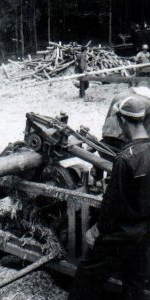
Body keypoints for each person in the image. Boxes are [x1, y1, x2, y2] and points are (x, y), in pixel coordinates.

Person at [68, 96, 150, 300]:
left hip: (120, 234)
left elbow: (112, 205)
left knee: (86, 277)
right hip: (144, 231)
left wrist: (96, 231)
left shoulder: (125, 158)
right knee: (134, 283)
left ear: (122, 121)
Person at [102, 81, 150, 158]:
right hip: (126, 143)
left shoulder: (119, 96)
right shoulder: (147, 102)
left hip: (107, 138)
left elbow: (107, 120)